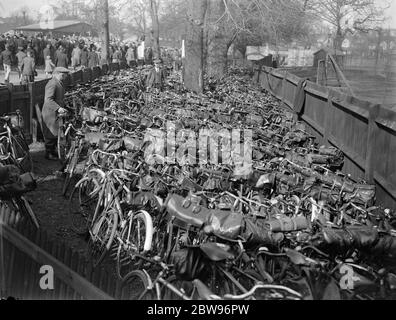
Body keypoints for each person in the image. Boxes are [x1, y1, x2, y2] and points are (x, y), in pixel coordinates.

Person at [41, 67, 70, 161]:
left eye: (65, 75)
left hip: (55, 112)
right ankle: (48, 153)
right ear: (56, 74)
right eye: (63, 75)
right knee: (50, 133)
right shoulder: (52, 83)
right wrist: (58, 108)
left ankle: (53, 151)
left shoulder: (58, 83)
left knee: (55, 133)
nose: (65, 77)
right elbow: (48, 99)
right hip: (50, 112)